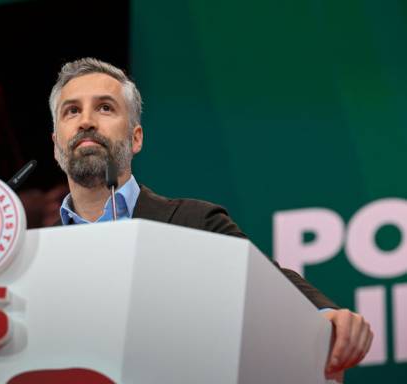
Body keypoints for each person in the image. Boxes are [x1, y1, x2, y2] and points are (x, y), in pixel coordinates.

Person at [48, 58, 372, 377]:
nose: (86, 121)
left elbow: (271, 283)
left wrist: (326, 316)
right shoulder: (33, 256)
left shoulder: (194, 221)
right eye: (72, 111)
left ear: (136, 138)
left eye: (105, 108)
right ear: (56, 144)